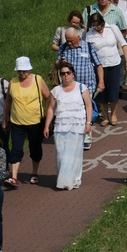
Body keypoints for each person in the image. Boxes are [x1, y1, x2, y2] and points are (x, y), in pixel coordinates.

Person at [43, 61, 91, 190]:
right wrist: (47, 126)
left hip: (77, 125)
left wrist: (88, 123)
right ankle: (63, 179)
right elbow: (51, 109)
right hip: (61, 126)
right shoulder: (56, 91)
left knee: (75, 154)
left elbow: (88, 105)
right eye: (63, 73)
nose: (65, 76)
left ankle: (74, 180)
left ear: (73, 74)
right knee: (61, 154)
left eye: (68, 73)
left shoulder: (82, 88)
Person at [2, 56, 50, 187]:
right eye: (20, 71)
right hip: (17, 122)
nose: (22, 73)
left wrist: (48, 115)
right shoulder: (13, 82)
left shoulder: (37, 80)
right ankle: (14, 177)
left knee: (35, 149)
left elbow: (48, 97)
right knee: (16, 149)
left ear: (29, 69)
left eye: (24, 71)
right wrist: (5, 120)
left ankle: (34, 172)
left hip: (35, 122)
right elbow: (8, 102)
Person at [85, 13, 127, 126]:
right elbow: (88, 52)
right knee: (101, 92)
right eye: (94, 26)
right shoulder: (89, 35)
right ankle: (105, 116)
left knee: (113, 90)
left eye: (98, 26)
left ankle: (113, 114)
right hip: (99, 66)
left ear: (102, 23)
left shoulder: (112, 28)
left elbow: (123, 43)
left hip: (114, 63)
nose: (97, 28)